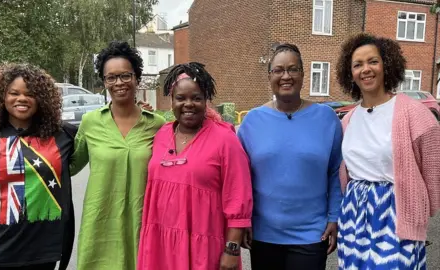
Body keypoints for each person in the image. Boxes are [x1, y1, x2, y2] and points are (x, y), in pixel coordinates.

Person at [335, 33, 440, 269]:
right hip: (354, 213)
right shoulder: (348, 120)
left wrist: (423, 210)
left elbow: (433, 167)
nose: (366, 69)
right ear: (350, 73)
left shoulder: (414, 113)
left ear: (386, 65)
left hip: (396, 212)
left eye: (373, 61)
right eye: (357, 64)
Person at [137, 62, 253, 270]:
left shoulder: (224, 139)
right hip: (161, 244)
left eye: (196, 98)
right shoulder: (162, 134)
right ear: (172, 101)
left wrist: (231, 250)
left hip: (205, 247)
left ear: (206, 101)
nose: (188, 104)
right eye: (181, 98)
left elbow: (238, 198)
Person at [237, 43, 343, 270]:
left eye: (293, 69)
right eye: (278, 70)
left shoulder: (326, 118)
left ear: (303, 74)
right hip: (264, 234)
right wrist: (242, 220)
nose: (286, 76)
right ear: (269, 76)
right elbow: (240, 177)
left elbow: (336, 171)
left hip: (312, 235)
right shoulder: (252, 122)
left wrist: (334, 216)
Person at [0, 63, 75, 270]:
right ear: (1, 96)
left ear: (41, 99)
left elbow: (100, 135)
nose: (22, 98)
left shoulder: (61, 135)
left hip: (42, 252)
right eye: (14, 93)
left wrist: (136, 111)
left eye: (30, 94)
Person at [70, 41, 165, 270]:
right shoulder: (90, 122)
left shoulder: (157, 125)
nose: (119, 83)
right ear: (104, 83)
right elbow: (70, 166)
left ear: (137, 78)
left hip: (143, 225)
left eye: (125, 76)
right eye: (111, 78)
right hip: (100, 227)